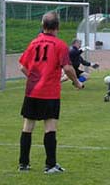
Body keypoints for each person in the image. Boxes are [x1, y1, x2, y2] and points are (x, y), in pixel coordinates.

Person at [18, 11, 83, 174]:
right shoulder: (60, 45)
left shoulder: (34, 43)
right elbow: (68, 68)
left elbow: (22, 66)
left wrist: (35, 79)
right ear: (58, 27)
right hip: (49, 93)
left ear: (43, 26)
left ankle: (23, 164)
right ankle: (50, 165)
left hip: (32, 91)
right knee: (50, 126)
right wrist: (76, 82)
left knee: (27, 127)